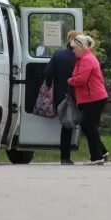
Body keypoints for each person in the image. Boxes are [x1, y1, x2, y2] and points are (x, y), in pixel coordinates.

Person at [67, 35, 109, 165]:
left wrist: (70, 81)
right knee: (90, 127)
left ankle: (97, 157)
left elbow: (81, 79)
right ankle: (101, 152)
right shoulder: (84, 58)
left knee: (88, 126)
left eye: (74, 48)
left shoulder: (86, 60)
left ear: (81, 47)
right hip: (91, 98)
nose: (73, 51)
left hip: (94, 98)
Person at [45, 30, 79, 164]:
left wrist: (49, 85)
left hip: (60, 94)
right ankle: (100, 152)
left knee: (66, 125)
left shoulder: (58, 55)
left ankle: (65, 157)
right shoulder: (79, 57)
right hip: (76, 95)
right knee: (84, 124)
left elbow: (47, 72)